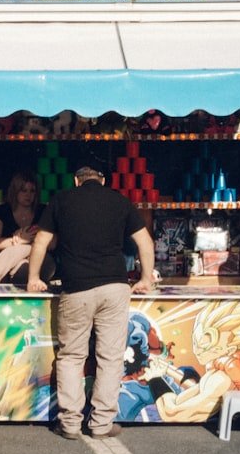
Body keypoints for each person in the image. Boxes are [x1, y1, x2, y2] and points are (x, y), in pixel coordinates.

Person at [27, 162, 156, 439]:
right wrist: (146, 278)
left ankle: (70, 424)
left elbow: (40, 242)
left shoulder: (61, 200)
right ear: (103, 180)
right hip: (114, 287)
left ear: (76, 181)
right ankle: (101, 424)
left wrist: (34, 277)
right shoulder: (120, 201)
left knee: (72, 357)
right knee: (110, 358)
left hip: (77, 289)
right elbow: (145, 242)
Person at [0, 171, 54, 284]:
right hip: (13, 266)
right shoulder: (2, 211)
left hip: (42, 262)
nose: (28, 195)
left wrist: (30, 240)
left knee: (26, 250)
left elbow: (54, 243)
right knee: (21, 264)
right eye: (24, 190)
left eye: (32, 191)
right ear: (15, 191)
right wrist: (18, 241)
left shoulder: (43, 211)